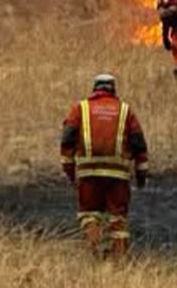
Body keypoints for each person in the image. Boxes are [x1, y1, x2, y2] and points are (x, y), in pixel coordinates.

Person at [60, 74, 149, 259]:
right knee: (117, 220)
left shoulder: (80, 108)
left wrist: (70, 172)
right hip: (118, 178)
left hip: (88, 175)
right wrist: (141, 176)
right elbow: (139, 144)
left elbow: (67, 139)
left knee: (90, 215)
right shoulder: (125, 110)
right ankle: (119, 261)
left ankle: (95, 255)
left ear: (95, 88)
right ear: (113, 89)